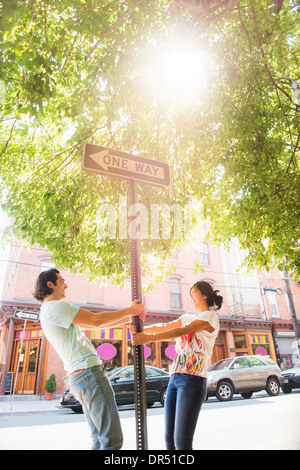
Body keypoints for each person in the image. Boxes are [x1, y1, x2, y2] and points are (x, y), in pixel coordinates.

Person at [33, 268, 145, 450]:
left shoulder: (48, 310)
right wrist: (130, 310)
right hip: (89, 375)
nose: (66, 284)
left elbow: (94, 323)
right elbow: (95, 320)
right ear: (50, 284)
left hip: (80, 378)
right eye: (62, 281)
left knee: (99, 439)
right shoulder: (56, 306)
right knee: (111, 441)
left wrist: (128, 317)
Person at [131, 280, 222, 450]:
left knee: (182, 442)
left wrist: (147, 339)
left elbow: (182, 331)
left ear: (204, 294)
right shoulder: (188, 317)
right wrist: (141, 329)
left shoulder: (210, 317)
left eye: (193, 292)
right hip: (174, 377)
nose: (191, 296)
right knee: (170, 440)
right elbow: (166, 326)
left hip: (193, 379)